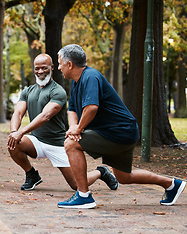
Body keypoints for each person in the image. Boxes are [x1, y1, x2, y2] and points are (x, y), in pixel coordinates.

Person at [57, 44, 186, 209]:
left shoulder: (90, 77)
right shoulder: (77, 81)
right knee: (124, 177)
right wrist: (73, 127)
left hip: (119, 132)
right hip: (121, 132)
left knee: (70, 144)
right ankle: (172, 184)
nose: (59, 67)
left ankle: (83, 196)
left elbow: (91, 107)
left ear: (70, 64)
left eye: (60, 63)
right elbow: (73, 109)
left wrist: (79, 129)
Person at [7, 54, 118, 192]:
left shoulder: (58, 91)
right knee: (12, 143)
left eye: (44, 68)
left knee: (76, 185)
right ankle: (31, 174)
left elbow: (45, 116)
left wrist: (22, 131)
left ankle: (101, 172)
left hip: (57, 143)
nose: (40, 71)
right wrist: (13, 132)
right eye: (37, 68)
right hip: (36, 140)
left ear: (52, 67)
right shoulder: (28, 91)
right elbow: (17, 113)